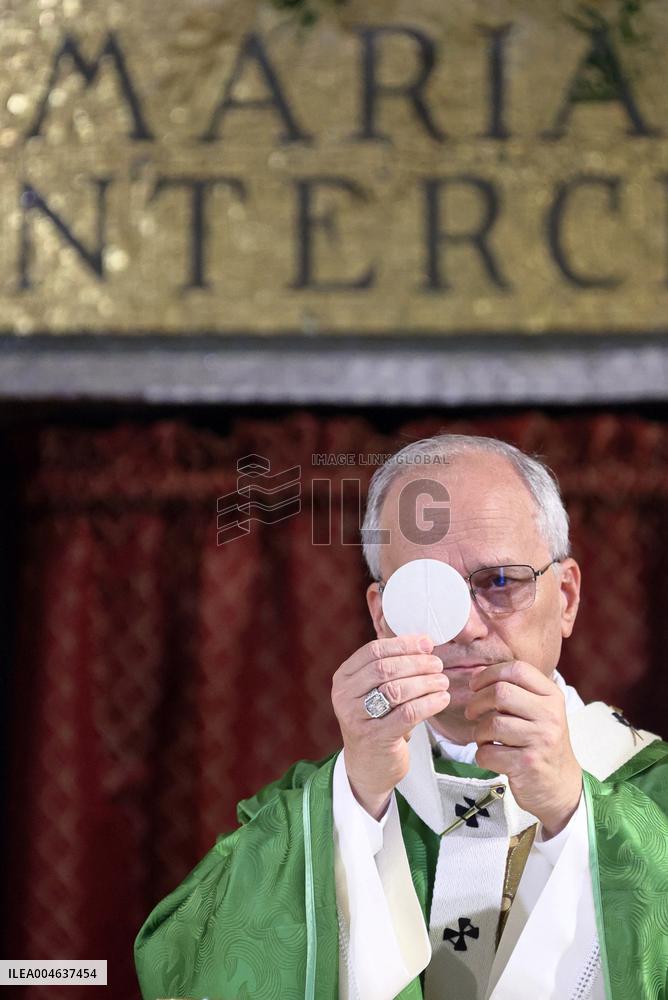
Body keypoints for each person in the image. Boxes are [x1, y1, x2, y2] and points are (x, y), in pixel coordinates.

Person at [134, 435, 668, 1000]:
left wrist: (572, 813)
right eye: (424, 592)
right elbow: (184, 964)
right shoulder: (318, 813)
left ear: (565, 597)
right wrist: (354, 806)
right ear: (381, 616)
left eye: (499, 582)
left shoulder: (650, 788)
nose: (464, 628)